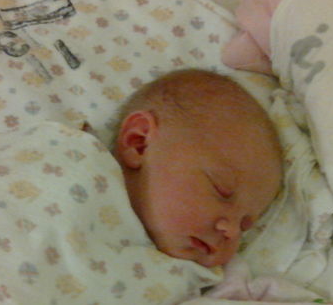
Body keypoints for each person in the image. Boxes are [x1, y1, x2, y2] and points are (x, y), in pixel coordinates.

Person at [113, 68, 283, 268]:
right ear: (139, 142)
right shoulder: (85, 168)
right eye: (221, 191)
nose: (232, 231)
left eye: (244, 225)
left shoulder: (206, 278)